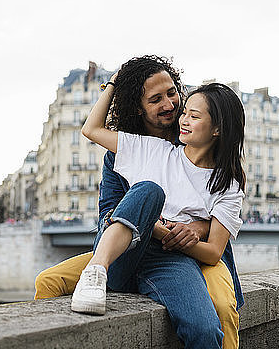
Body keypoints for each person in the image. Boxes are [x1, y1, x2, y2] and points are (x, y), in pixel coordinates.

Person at [35, 56, 245, 349]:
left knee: (215, 317)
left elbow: (214, 244)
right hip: (126, 246)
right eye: (156, 99)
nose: (172, 107)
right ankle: (93, 277)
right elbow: (109, 209)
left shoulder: (209, 163)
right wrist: (113, 84)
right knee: (148, 192)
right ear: (138, 107)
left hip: (177, 256)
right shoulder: (140, 150)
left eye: (173, 95)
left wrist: (196, 227)